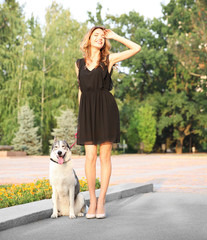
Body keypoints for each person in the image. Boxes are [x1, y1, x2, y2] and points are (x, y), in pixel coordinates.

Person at [75, 26, 141, 219]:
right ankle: (92, 201)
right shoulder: (78, 64)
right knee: (90, 157)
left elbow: (136, 48)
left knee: (104, 157)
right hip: (87, 112)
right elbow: (81, 91)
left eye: (102, 37)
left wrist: (116, 36)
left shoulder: (108, 60)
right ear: (88, 39)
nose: (99, 39)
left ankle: (102, 200)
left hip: (105, 110)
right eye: (96, 35)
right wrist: (80, 118)